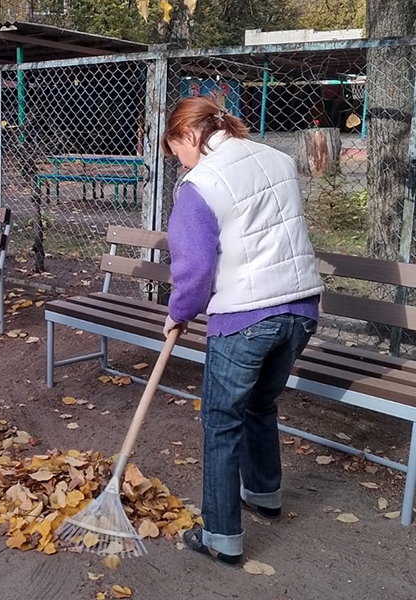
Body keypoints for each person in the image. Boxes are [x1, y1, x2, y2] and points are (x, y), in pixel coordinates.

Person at [160, 96, 324, 566]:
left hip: (247, 317)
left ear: (187, 135)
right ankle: (265, 495)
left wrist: (179, 312)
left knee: (221, 421)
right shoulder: (278, 159)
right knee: (260, 405)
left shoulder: (201, 184)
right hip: (301, 309)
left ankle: (220, 536)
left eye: (177, 151)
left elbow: (193, 267)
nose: (179, 163)